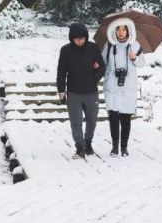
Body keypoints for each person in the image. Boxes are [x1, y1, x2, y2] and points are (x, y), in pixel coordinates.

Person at [56, 21, 106, 159]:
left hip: (91, 92)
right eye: (77, 38)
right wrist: (61, 91)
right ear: (72, 38)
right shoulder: (65, 50)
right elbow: (61, 72)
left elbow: (102, 66)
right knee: (76, 122)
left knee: (92, 121)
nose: (80, 40)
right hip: (73, 93)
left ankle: (88, 143)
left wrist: (94, 78)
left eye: (82, 37)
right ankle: (80, 147)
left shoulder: (93, 48)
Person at [103, 16, 144, 157]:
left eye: (123, 29)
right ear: (114, 31)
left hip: (128, 86)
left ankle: (124, 147)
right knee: (113, 116)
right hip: (112, 85)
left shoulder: (135, 45)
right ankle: (114, 147)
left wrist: (135, 58)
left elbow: (142, 63)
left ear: (128, 31)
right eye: (118, 29)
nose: (121, 32)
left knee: (126, 117)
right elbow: (103, 63)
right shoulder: (108, 45)